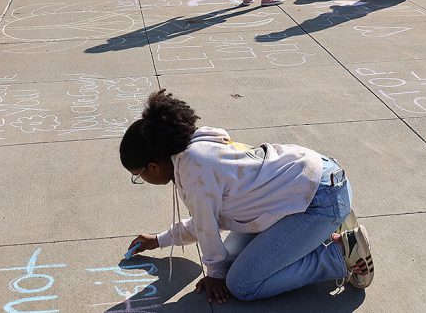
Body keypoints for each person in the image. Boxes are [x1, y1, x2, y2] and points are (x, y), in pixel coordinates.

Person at [122, 91, 373, 303]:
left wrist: (215, 275)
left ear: (153, 166)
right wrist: (159, 240)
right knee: (231, 261)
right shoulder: (194, 151)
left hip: (320, 199)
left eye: (138, 175)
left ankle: (338, 254)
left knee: (241, 284)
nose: (142, 180)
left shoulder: (193, 170)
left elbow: (207, 230)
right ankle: (316, 234)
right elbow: (203, 222)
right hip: (312, 184)